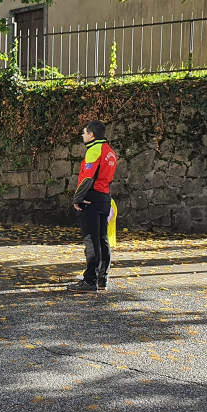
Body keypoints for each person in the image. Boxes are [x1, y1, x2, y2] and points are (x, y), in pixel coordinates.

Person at [68, 120, 117, 292]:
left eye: (84, 132)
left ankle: (90, 281)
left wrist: (77, 198)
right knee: (103, 239)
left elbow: (88, 177)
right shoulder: (110, 152)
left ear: (91, 135)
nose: (82, 135)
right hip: (104, 198)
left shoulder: (94, 150)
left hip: (91, 199)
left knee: (91, 240)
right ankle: (102, 279)